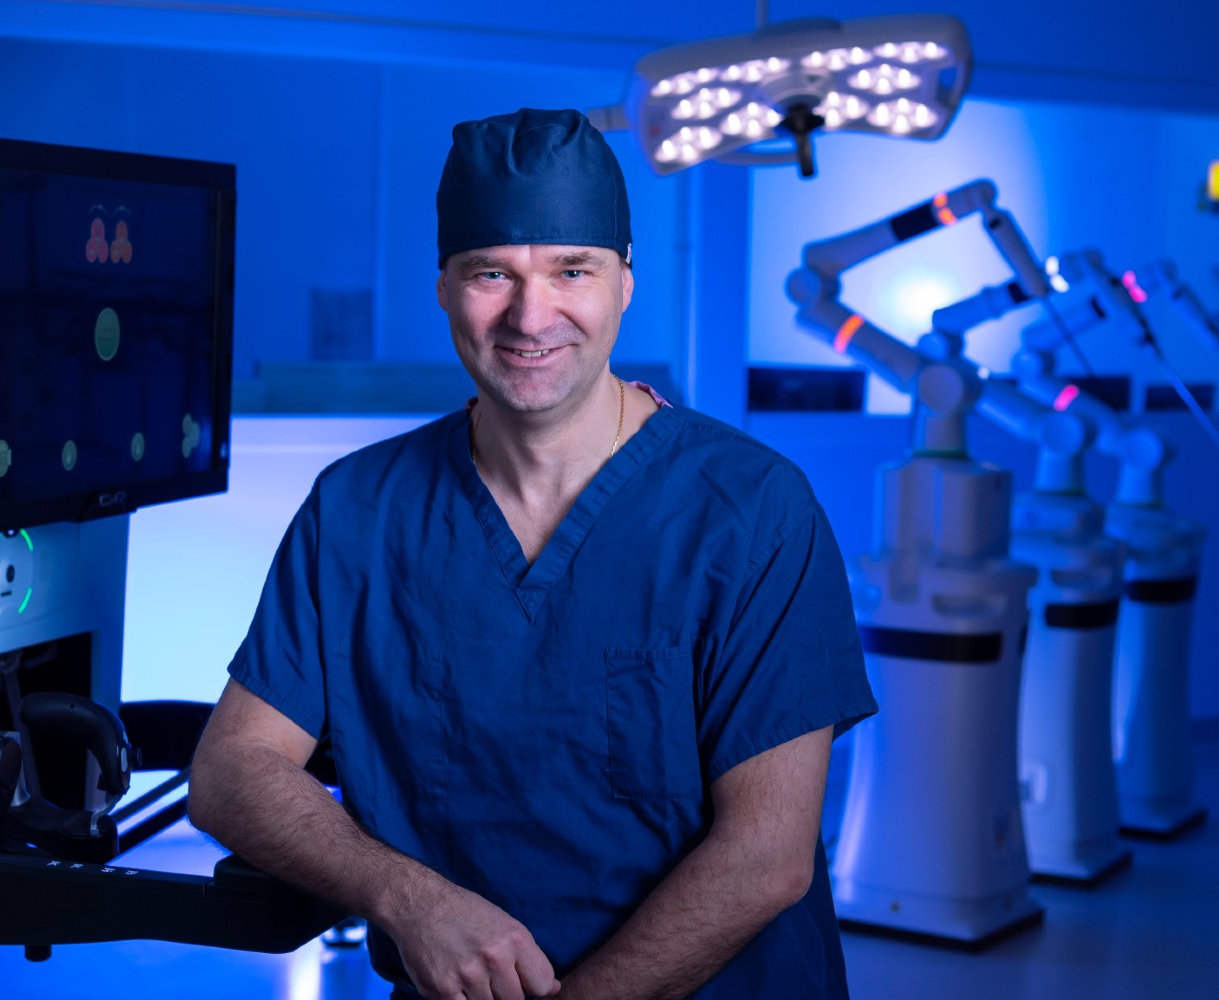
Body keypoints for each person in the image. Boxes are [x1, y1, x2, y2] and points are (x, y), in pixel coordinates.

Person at [188, 107, 877, 1000]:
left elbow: (768, 857)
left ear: (626, 283)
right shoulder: (358, 512)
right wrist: (409, 898)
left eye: (572, 270)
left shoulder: (749, 512)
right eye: (490, 274)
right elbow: (231, 771)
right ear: (442, 286)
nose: (530, 313)